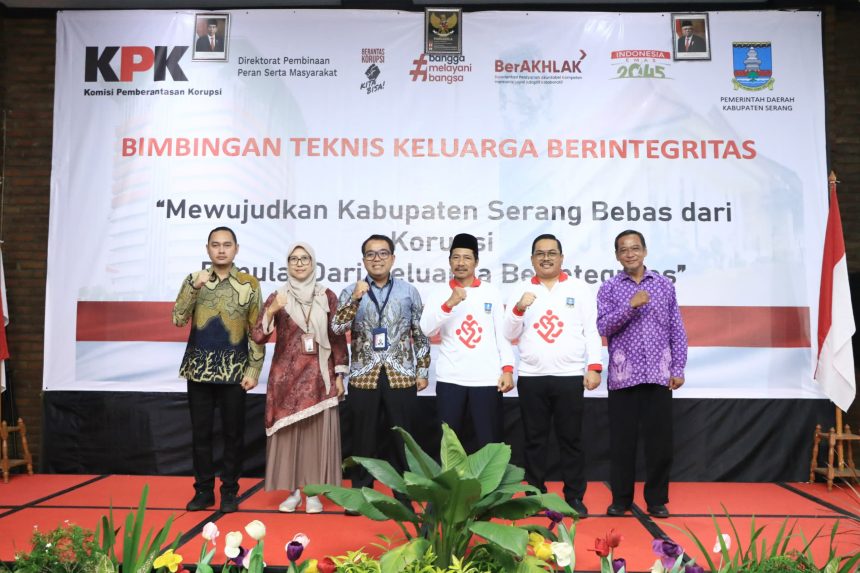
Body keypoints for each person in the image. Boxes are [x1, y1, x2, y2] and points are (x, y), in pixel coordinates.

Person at [503, 233, 602, 517]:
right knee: (534, 441)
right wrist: (519, 308)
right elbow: (508, 332)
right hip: (532, 377)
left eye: (551, 253)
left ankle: (574, 497)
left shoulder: (579, 288)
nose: (546, 258)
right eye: (540, 253)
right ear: (532, 259)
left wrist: (594, 366)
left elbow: (591, 330)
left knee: (571, 440)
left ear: (561, 257)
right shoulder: (521, 289)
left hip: (569, 376)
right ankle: (534, 495)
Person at [332, 234, 430, 511]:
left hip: (401, 373)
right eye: (371, 254)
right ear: (364, 260)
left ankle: (405, 496)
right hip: (364, 374)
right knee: (363, 439)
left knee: (403, 439)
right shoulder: (351, 291)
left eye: (383, 253)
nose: (377, 259)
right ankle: (360, 497)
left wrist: (422, 369)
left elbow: (420, 333)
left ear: (393, 258)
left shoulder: (408, 291)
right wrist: (355, 300)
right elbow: (337, 328)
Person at [250, 243, 348, 513]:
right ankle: (293, 493)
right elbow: (257, 336)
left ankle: (313, 493)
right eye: (294, 259)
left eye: (304, 258)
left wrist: (340, 374)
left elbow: (337, 337)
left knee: (315, 438)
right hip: (286, 380)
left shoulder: (326, 296)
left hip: (319, 377)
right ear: (287, 264)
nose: (299, 263)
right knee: (289, 438)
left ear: (313, 262)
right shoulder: (278, 296)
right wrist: (271, 310)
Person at [172, 226, 264, 513]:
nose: (221, 250)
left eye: (227, 245)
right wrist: (194, 288)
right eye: (215, 245)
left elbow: (257, 331)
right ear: (207, 249)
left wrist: (254, 370)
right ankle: (203, 491)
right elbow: (178, 318)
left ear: (236, 249)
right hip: (198, 370)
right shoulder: (194, 279)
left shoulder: (250, 284)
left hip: (234, 372)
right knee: (200, 435)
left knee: (233, 435)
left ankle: (229, 491)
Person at [597, 230, 687, 519]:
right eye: (624, 249)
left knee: (660, 444)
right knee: (622, 443)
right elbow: (603, 327)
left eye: (635, 248)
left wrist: (678, 368)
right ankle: (620, 500)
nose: (630, 253)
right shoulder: (609, 288)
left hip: (658, 375)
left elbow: (676, 329)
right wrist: (630, 306)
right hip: (623, 378)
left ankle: (657, 500)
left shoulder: (663, 285)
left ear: (645, 251)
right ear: (617, 256)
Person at [420, 233, 514, 450]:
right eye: (456, 257)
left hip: (487, 379)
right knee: (449, 446)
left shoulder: (491, 292)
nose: (461, 263)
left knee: (489, 444)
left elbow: (502, 334)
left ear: (476, 262)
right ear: (449, 261)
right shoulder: (440, 293)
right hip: (450, 378)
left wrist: (507, 369)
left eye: (467, 258)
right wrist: (449, 304)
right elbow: (427, 329)